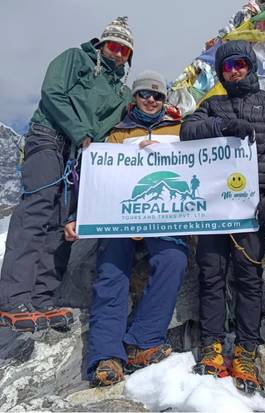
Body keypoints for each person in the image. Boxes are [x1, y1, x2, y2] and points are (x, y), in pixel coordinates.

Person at [0, 17, 134, 333]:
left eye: (125, 51)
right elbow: (52, 93)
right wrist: (79, 132)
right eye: (114, 46)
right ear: (102, 45)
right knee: (38, 208)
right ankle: (12, 299)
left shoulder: (121, 92)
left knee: (62, 223)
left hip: (76, 155)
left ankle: (41, 299)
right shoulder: (74, 58)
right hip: (49, 137)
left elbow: (137, 110)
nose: (118, 54)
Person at [180, 40, 265, 394]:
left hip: (253, 210)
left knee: (248, 278)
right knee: (211, 275)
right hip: (215, 210)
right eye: (227, 67)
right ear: (220, 72)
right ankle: (213, 345)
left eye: (239, 64)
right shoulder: (211, 105)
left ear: (250, 66)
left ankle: (246, 348)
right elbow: (187, 131)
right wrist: (223, 127)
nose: (234, 71)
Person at [64, 71, 188, 387]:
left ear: (165, 100)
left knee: (174, 260)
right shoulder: (116, 134)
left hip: (164, 215)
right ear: (134, 98)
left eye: (157, 95)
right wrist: (77, 215)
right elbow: (96, 176)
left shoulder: (180, 130)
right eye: (145, 94)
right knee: (110, 270)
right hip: (121, 213)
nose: (150, 100)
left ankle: (143, 341)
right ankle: (106, 356)